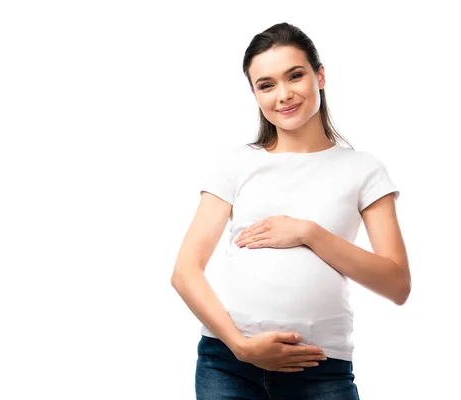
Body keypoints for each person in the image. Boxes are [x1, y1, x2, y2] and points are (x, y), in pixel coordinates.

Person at [171, 22, 411, 400]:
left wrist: (308, 233)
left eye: (294, 76)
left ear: (320, 75)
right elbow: (185, 271)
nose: (283, 95)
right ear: (255, 94)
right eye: (266, 85)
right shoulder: (235, 164)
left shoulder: (363, 169)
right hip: (228, 363)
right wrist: (240, 345)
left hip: (320, 370)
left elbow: (397, 285)